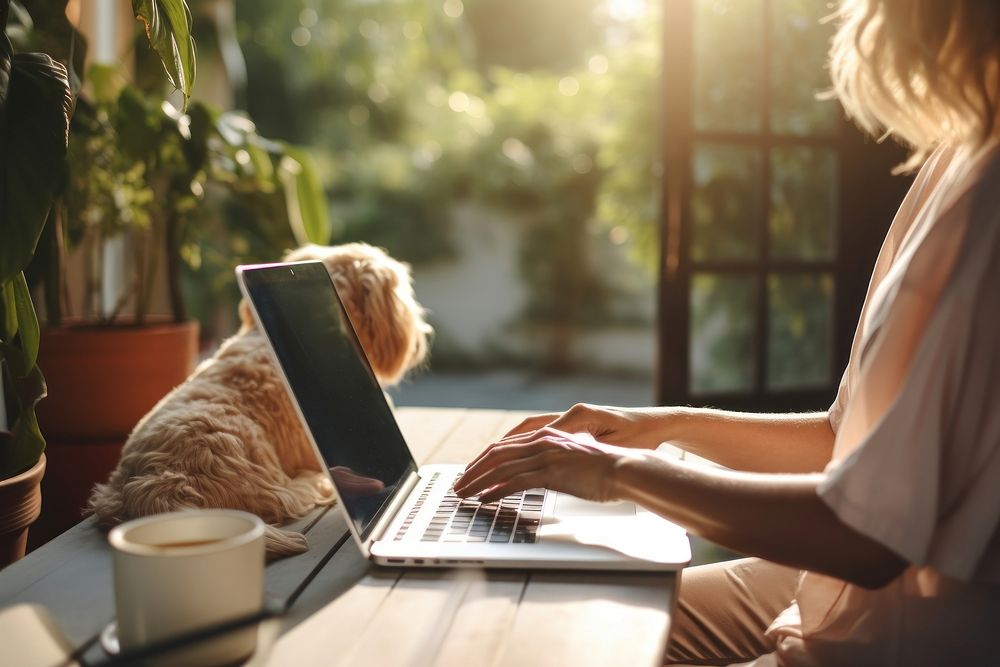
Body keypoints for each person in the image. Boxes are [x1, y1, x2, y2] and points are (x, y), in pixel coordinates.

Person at [454, 0, 1000, 664]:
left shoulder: (986, 207)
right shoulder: (960, 151)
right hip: (842, 595)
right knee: (554, 615)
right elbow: (841, 441)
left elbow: (867, 536)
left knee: (564, 642)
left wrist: (615, 472)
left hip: (900, 630)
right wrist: (661, 425)